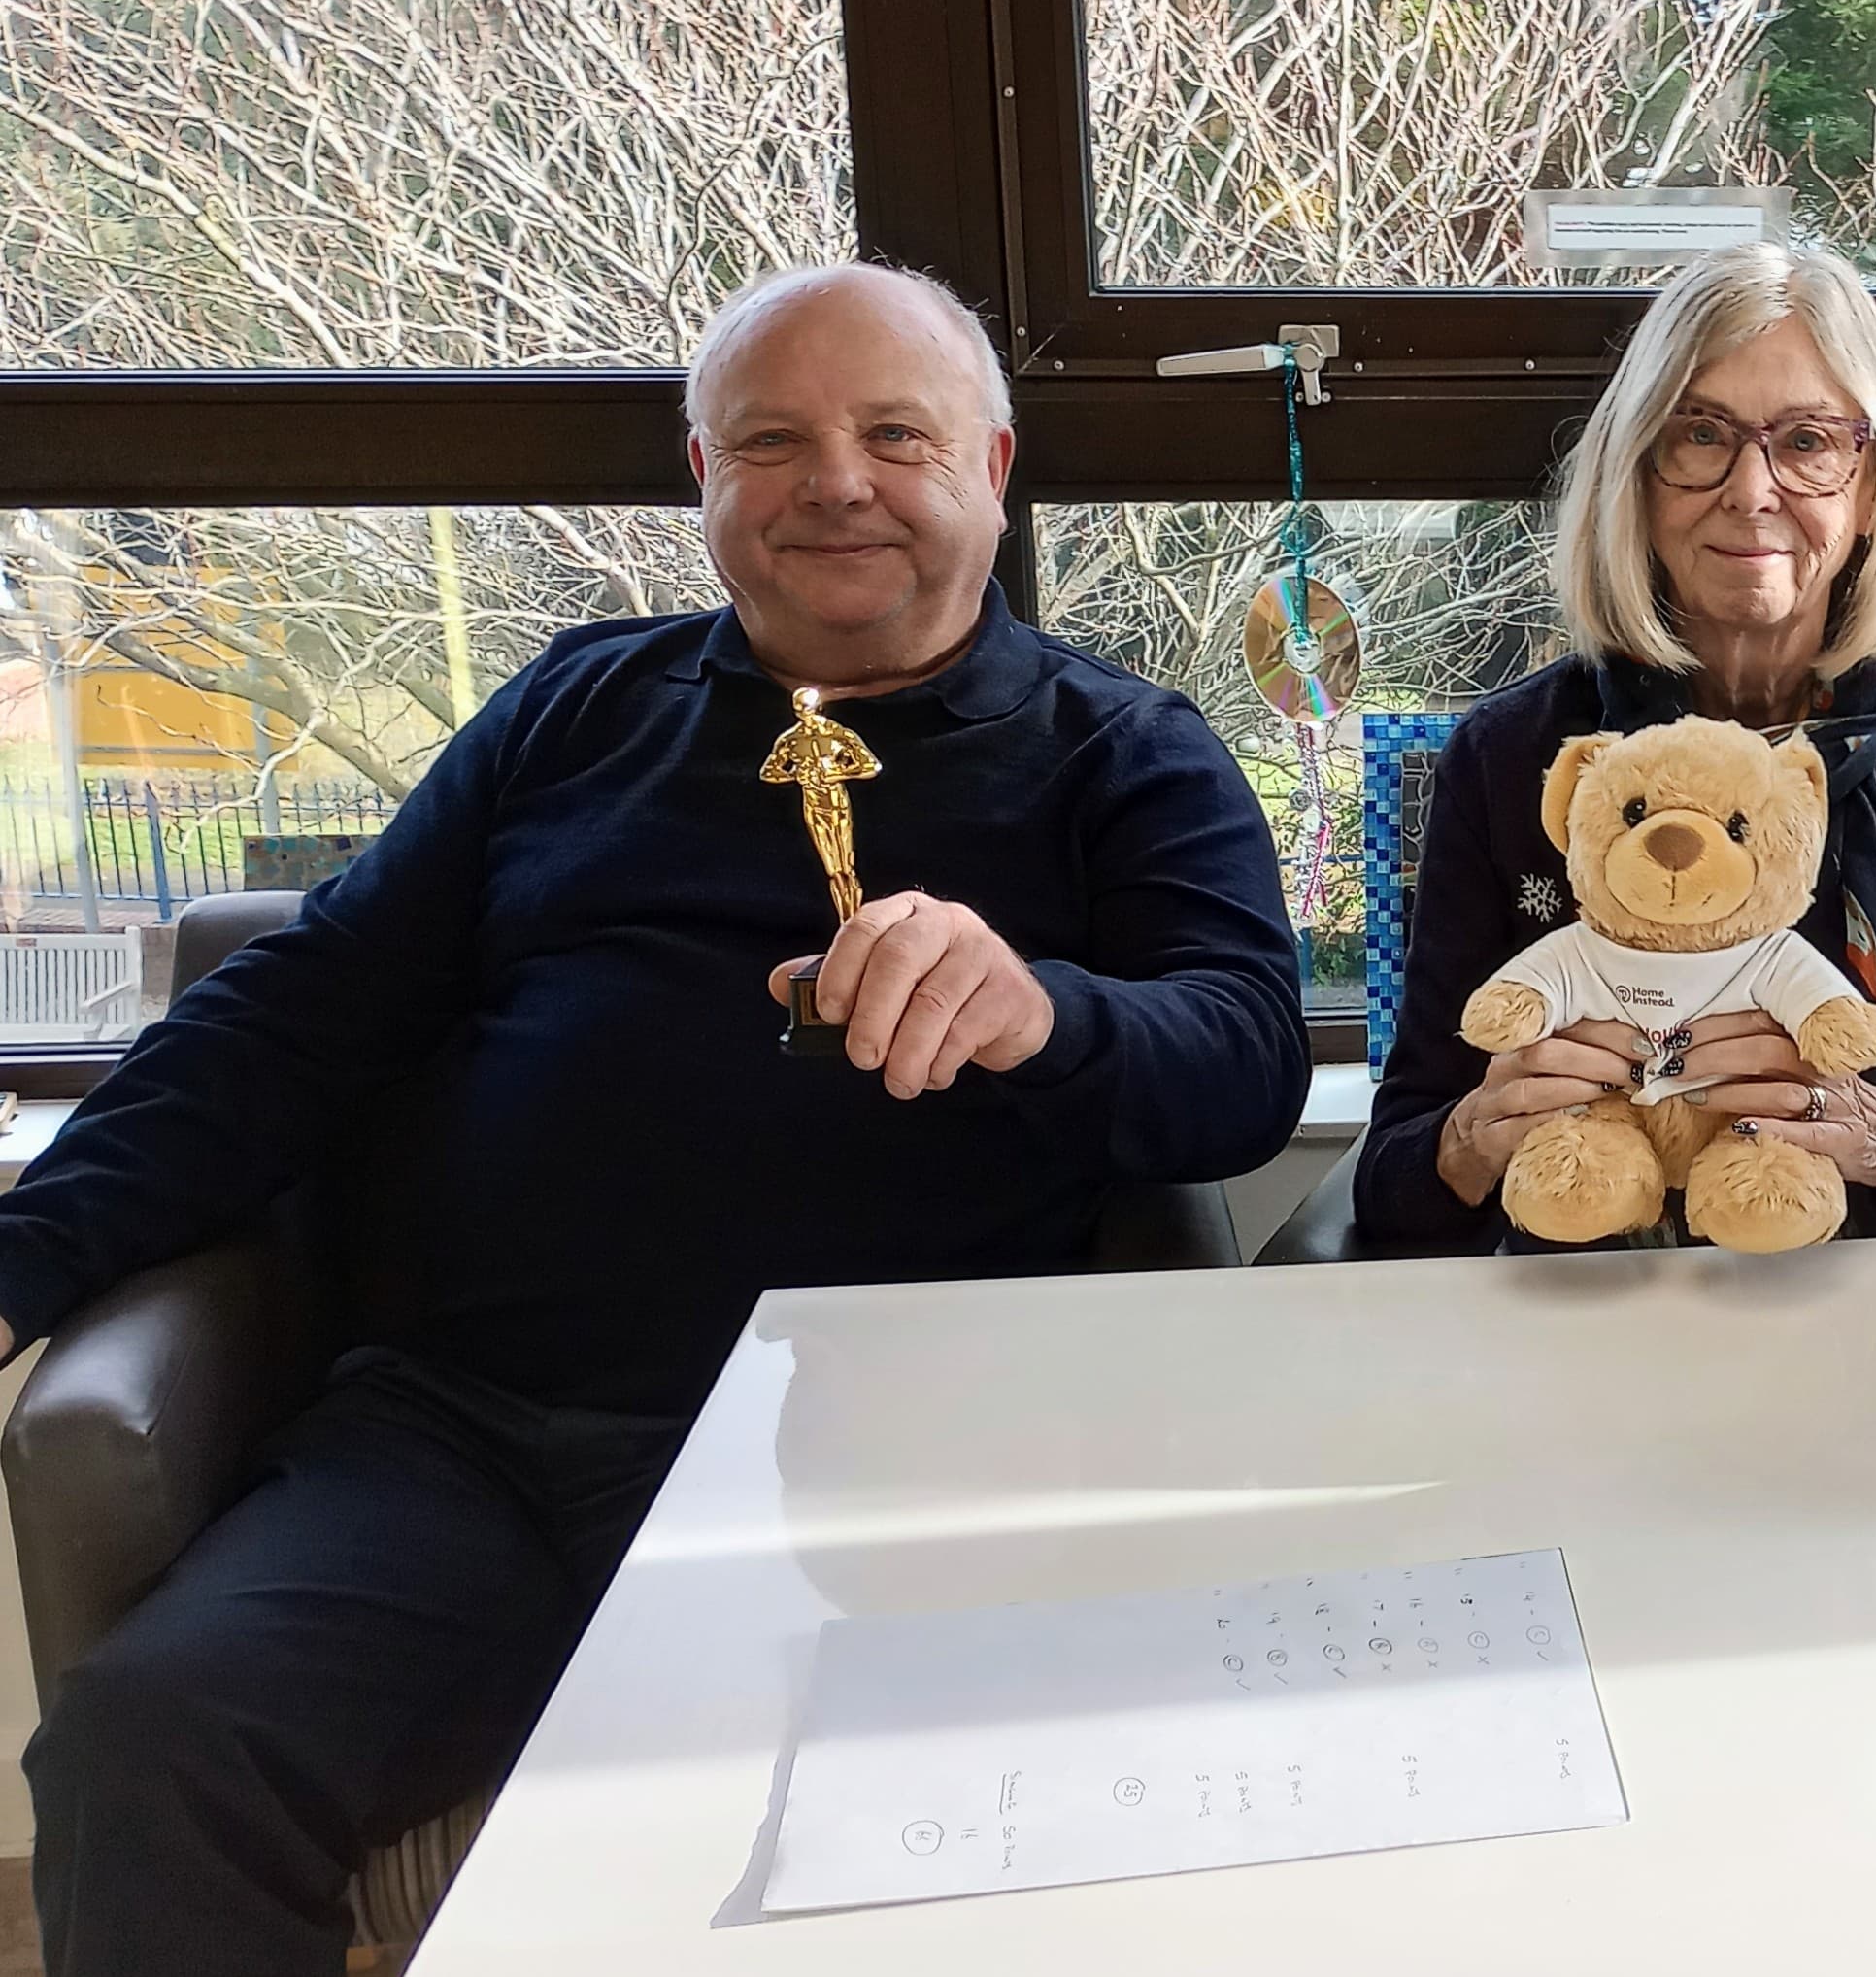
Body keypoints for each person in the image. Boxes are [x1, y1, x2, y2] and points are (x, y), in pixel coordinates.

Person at [3, 263, 1311, 1977]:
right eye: (771, 441)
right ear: (702, 474)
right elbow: (288, 1019)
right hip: (470, 1436)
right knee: (150, 1745)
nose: (836, 482)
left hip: (883, 1463)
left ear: (993, 468)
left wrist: (1044, 1010)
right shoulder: (571, 709)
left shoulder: (1121, 751)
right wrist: (21, 1264)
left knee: (858, 1835)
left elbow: (1242, 1060)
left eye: (896, 435)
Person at [1357, 241, 1876, 1250]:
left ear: (1871, 488)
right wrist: (1475, 1137)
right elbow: (1391, 1190)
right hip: (1581, 1308)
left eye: (1808, 441)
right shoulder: (1513, 753)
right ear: (1636, 477)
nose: (1751, 489)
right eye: (1700, 434)